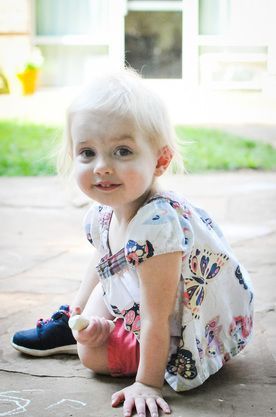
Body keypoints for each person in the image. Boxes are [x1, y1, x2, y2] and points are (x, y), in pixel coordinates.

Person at [12, 68, 254, 417]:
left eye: (122, 151)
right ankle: (88, 330)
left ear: (160, 160)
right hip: (142, 299)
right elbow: (103, 259)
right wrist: (78, 315)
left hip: (180, 323)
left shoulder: (157, 229)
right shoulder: (105, 210)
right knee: (97, 298)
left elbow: (158, 317)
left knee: (91, 356)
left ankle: (111, 344)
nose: (102, 167)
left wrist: (147, 383)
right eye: (87, 153)